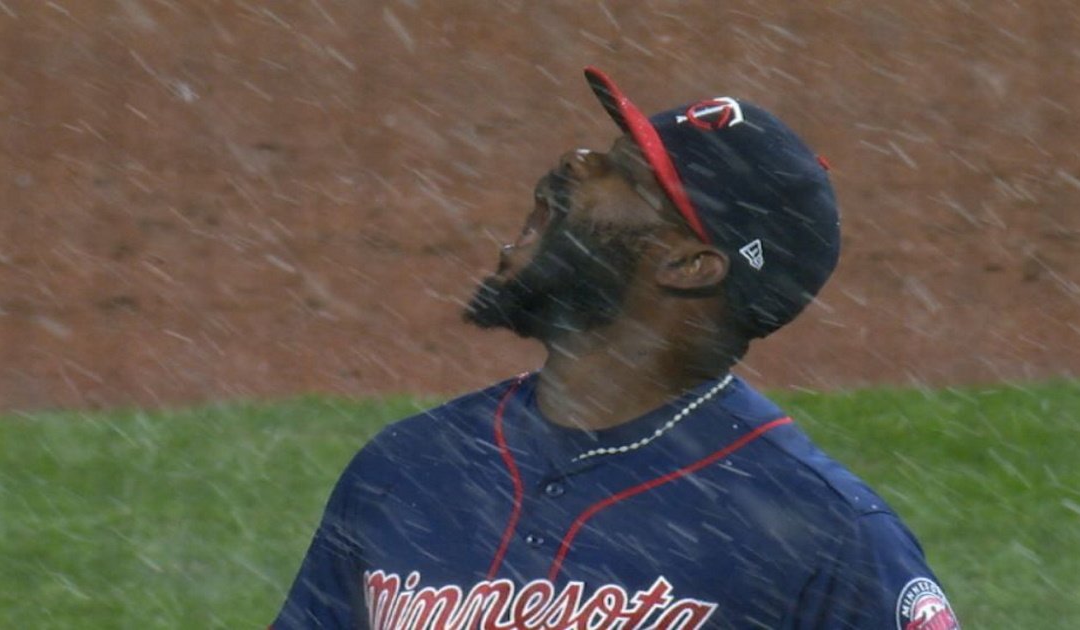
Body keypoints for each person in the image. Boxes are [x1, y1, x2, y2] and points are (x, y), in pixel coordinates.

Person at [270, 67, 959, 630]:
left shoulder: (825, 537)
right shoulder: (407, 468)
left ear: (690, 264)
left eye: (625, 176)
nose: (576, 162)